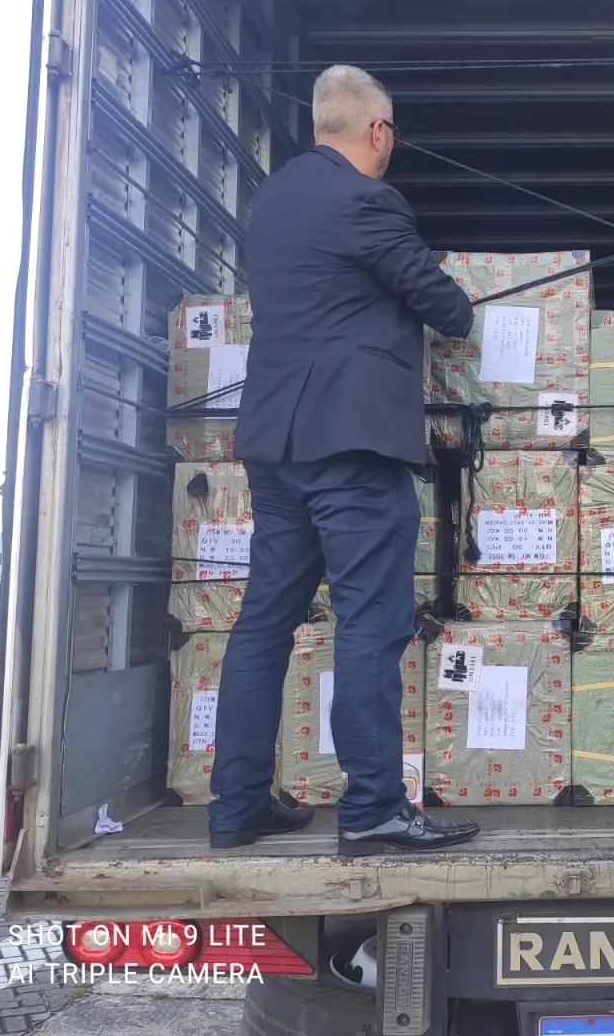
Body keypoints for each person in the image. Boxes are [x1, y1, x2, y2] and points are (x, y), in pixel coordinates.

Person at [208, 65, 481, 856]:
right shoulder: (368, 200)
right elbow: (449, 309)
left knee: (264, 620)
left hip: (274, 444)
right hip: (351, 448)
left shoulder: (276, 199)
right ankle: (371, 809)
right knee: (372, 622)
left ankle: (235, 806)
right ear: (379, 132)